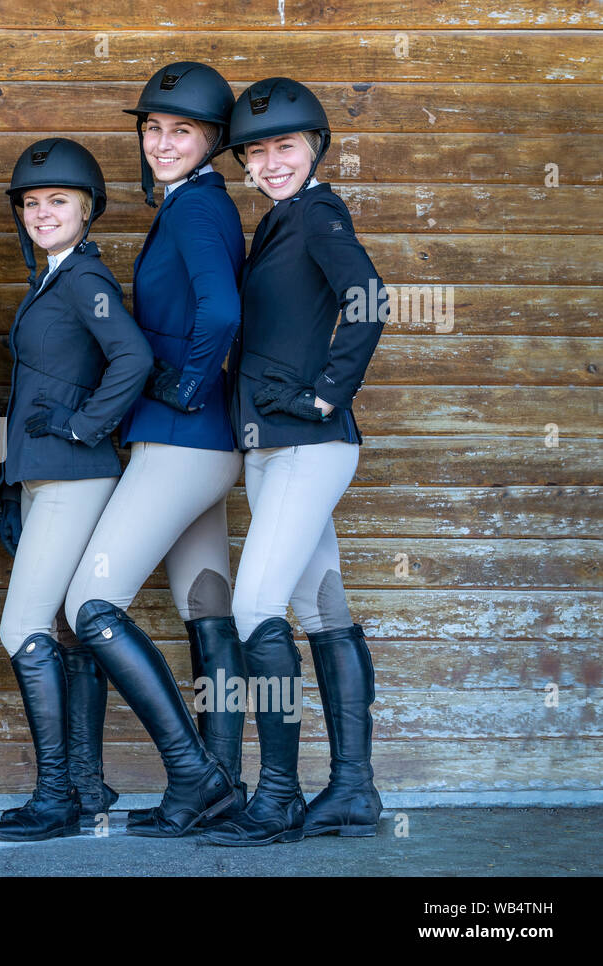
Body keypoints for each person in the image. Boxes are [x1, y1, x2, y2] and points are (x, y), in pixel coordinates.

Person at [202, 77, 388, 847]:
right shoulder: (280, 223)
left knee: (253, 610)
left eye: (284, 146)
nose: (270, 162)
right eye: (256, 151)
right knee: (321, 612)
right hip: (274, 448)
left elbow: (369, 297)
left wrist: (324, 396)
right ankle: (352, 791)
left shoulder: (316, 210)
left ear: (314, 146)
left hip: (309, 444)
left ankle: (277, 797)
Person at [63, 61, 247, 837]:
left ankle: (194, 775)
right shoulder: (190, 204)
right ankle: (226, 784)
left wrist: (188, 385)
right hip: (205, 445)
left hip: (181, 437)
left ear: (210, 142)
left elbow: (223, 309)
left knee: (90, 605)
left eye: (183, 131)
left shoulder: (198, 210)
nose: (164, 142)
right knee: (207, 609)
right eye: (153, 129)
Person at [0, 138, 152, 842]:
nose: (41, 212)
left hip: (74, 477)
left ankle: (54, 796)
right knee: (65, 631)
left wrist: (86, 427)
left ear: (87, 210)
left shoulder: (84, 279)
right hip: (45, 478)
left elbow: (134, 356)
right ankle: (86, 786)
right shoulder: (55, 278)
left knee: (20, 627)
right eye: (30, 203)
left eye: (58, 201)